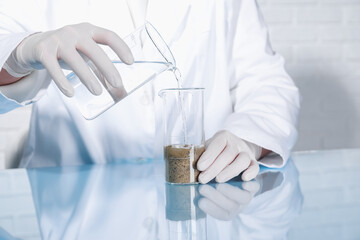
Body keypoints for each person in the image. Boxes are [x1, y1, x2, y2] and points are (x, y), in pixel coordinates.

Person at [0, 0, 300, 183]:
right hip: (76, 202)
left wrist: (248, 139)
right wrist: (19, 52)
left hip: (203, 193)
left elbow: (267, 81)